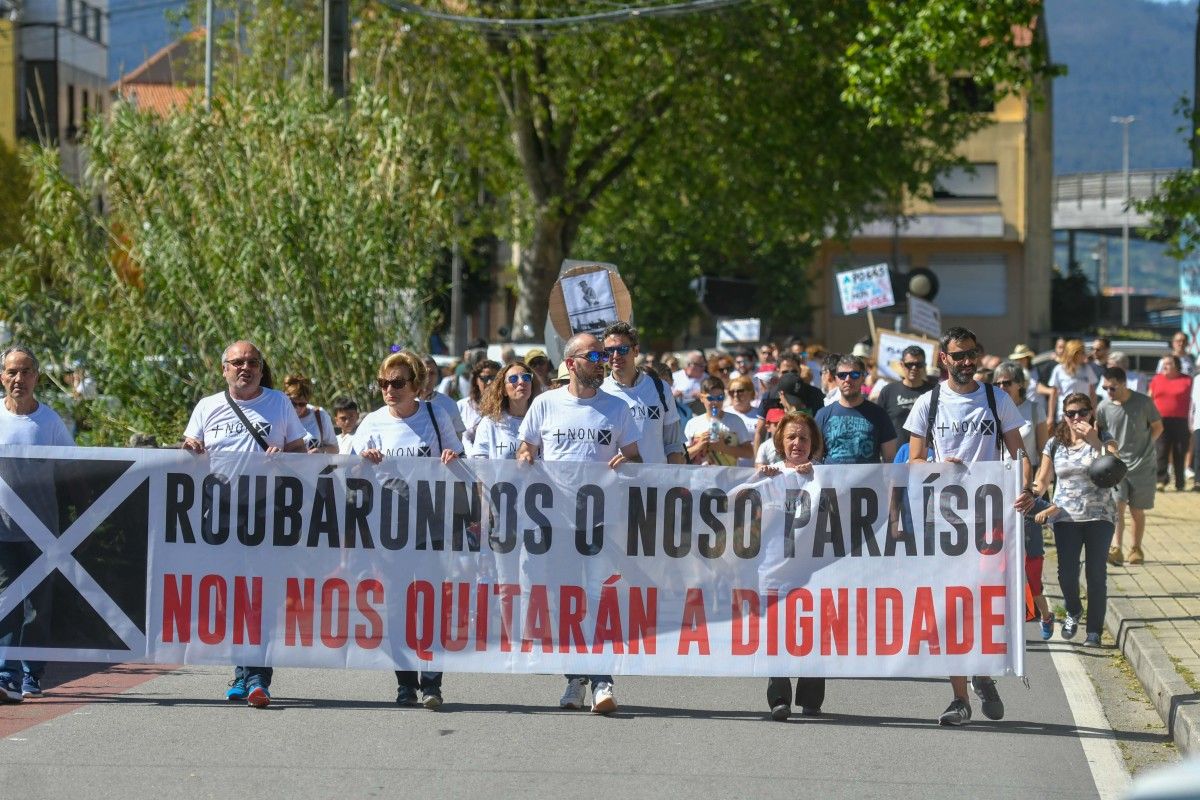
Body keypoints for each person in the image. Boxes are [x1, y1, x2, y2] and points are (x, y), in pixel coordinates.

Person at [904, 327, 1035, 727]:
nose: (966, 362)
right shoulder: (928, 402)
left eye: (971, 354)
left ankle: (981, 673)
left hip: (990, 522)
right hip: (944, 523)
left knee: (983, 606)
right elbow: (912, 462)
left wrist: (1027, 486)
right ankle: (959, 698)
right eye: (958, 355)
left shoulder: (997, 399)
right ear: (943, 358)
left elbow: (1020, 453)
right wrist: (938, 467)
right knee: (951, 609)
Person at [516, 333, 641, 714]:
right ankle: (574, 680)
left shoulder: (617, 408)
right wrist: (524, 457)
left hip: (601, 524)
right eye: (594, 355)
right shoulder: (545, 404)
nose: (602, 360)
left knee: (599, 601)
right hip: (556, 524)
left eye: (604, 355)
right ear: (571, 363)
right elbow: (527, 447)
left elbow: (636, 458)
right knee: (566, 605)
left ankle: (603, 680)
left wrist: (627, 465)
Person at [182, 340, 307, 709]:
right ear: (224, 369)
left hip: (265, 513)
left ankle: (258, 678)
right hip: (219, 513)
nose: (245, 368)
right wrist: (188, 449)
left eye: (252, 362)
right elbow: (189, 452)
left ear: (260, 368)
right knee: (228, 597)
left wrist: (283, 456)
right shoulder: (207, 406)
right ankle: (241, 671)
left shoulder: (279, 403)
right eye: (237, 362)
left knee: (260, 598)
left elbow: (301, 455)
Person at [351, 350, 463, 709]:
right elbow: (350, 474)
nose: (389, 390)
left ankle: (432, 683)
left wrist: (452, 459)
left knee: (429, 603)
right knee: (397, 605)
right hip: (391, 526)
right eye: (383, 383)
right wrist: (363, 464)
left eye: (397, 383)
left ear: (416, 385)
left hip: (431, 522)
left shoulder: (436, 414)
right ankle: (405, 683)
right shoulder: (371, 423)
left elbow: (460, 462)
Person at [0, 346, 75, 704]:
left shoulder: (50, 422)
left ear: (36, 377)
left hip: (44, 531)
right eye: (12, 372)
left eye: (26, 371)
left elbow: (72, 468)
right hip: (2, 531)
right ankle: (6, 675)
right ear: (2, 377)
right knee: (7, 602)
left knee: (38, 607)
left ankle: (32, 673)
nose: (19, 378)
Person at [1031, 393, 1119, 647]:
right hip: (1065, 517)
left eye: (1082, 412)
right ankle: (1073, 610)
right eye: (1071, 414)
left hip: (1100, 515)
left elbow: (1117, 464)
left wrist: (1093, 439)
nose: (1077, 418)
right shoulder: (1055, 443)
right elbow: (1043, 478)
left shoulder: (1103, 438)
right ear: (1064, 416)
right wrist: (1030, 494)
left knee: (1096, 573)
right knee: (1066, 574)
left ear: (1091, 413)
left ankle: (1094, 631)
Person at [754, 412, 826, 720]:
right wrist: (763, 483)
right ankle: (779, 695)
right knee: (776, 631)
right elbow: (751, 524)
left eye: (804, 438)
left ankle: (811, 695)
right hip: (773, 566)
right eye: (791, 438)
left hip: (814, 569)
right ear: (781, 443)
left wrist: (818, 477)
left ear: (814, 444)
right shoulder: (768, 474)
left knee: (814, 630)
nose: (798, 443)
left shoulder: (827, 474)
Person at [993, 361, 1053, 637]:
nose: (1002, 387)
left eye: (1007, 382)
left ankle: (1042, 612)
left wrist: (1038, 485)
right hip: (996, 489)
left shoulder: (1033, 409)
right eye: (998, 383)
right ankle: (1008, 615)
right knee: (999, 556)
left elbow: (1043, 451)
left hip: (1026, 489)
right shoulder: (992, 409)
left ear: (1019, 383)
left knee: (1029, 555)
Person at [1097, 367, 1162, 565]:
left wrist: (1146, 445)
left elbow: (1158, 426)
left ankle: (1136, 548)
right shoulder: (1104, 407)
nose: (1108, 391)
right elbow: (1099, 433)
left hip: (1143, 465)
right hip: (1117, 466)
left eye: (1112, 387)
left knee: (1136, 509)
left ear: (1124, 384)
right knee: (1117, 507)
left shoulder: (1143, 402)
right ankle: (1117, 548)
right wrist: (1107, 454)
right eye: (1105, 387)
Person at [600, 321, 686, 466]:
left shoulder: (660, 388)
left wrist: (674, 484)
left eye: (622, 349)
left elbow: (674, 444)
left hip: (656, 482)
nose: (615, 355)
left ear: (636, 351)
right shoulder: (599, 391)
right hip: (615, 483)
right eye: (609, 350)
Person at [814, 354, 897, 465]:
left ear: (863, 377)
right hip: (832, 482)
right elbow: (816, 459)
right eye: (842, 375)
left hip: (869, 482)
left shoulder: (879, 414)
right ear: (836, 379)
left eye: (854, 374)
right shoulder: (822, 415)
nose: (848, 379)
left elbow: (890, 459)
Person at [471, 360, 539, 459]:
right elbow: (480, 465)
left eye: (526, 377)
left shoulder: (542, 420)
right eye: (513, 379)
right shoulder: (490, 423)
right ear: (503, 390)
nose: (521, 382)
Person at [684, 376, 753, 466]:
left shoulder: (735, 421)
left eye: (720, 398)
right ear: (701, 397)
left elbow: (749, 453)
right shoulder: (693, 423)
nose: (715, 402)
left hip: (728, 478)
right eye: (711, 398)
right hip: (699, 478)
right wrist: (698, 446)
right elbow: (682, 457)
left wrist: (723, 448)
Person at [875, 345, 936, 443]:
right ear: (902, 365)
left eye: (918, 364)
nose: (914, 368)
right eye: (909, 364)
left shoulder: (934, 392)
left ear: (924, 366)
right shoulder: (888, 391)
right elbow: (878, 424)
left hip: (924, 455)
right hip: (895, 455)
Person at [1149, 355, 1192, 492]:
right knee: (1161, 450)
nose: (1164, 366)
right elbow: (1149, 397)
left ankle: (1180, 482)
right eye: (1163, 364)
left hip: (1181, 420)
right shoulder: (1157, 379)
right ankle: (1161, 480)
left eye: (1168, 364)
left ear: (1176, 365)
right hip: (1160, 420)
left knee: (1180, 451)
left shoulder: (1187, 380)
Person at [282, 374, 338, 454]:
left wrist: (320, 451)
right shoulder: (279, 415)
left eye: (301, 404)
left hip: (315, 466)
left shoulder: (319, 415)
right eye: (293, 403)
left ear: (307, 401)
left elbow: (335, 448)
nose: (296, 408)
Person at [1047, 339, 1097, 425]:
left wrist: (1094, 414)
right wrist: (1050, 417)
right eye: (1082, 352)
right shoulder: (1059, 370)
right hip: (1065, 415)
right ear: (1073, 353)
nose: (1084, 355)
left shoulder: (1087, 369)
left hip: (1083, 415)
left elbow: (1092, 393)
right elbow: (1053, 395)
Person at [420, 355, 467, 440]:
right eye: (423, 373)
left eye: (432, 373)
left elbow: (458, 438)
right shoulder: (405, 404)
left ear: (437, 376)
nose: (427, 378)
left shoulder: (449, 404)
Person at [457, 359, 501, 448]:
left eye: (494, 378)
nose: (490, 382)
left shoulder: (506, 407)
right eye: (484, 378)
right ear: (476, 380)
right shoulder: (462, 406)